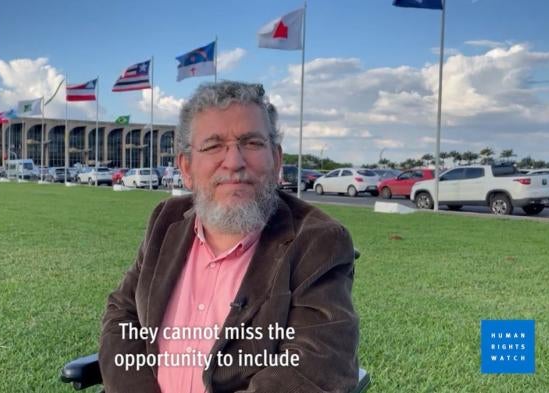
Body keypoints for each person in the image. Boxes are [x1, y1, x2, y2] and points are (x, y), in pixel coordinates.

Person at [99, 81, 359, 393]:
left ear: (276, 160)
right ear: (187, 167)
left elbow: (315, 369)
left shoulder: (318, 243)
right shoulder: (165, 222)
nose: (234, 162)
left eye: (251, 143)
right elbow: (121, 315)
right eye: (212, 146)